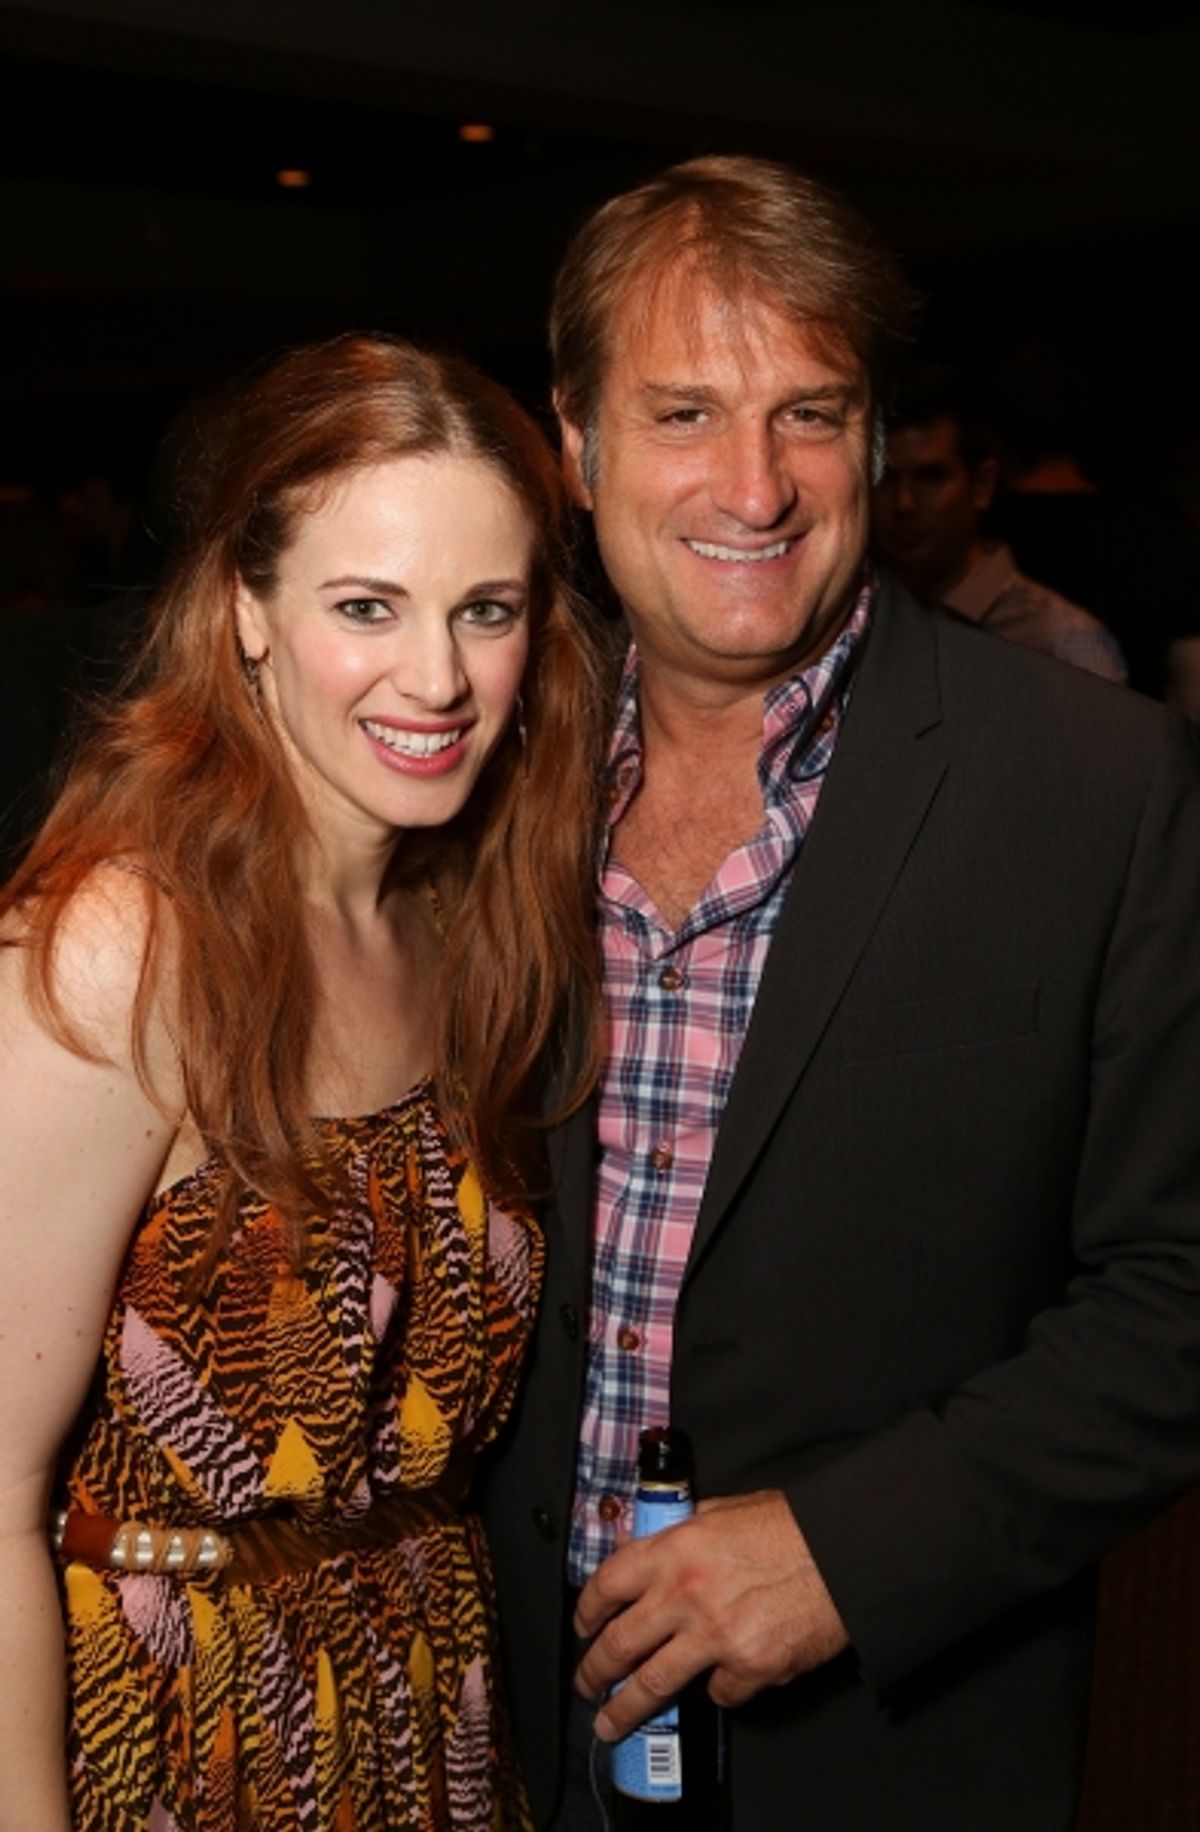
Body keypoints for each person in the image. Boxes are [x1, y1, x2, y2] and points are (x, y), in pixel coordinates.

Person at [481, 156, 1200, 1830]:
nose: (756, 484)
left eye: (811, 411)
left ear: (874, 438)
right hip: (495, 1735)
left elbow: (1177, 1292)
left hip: (878, 1756)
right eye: (683, 414)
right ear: (576, 446)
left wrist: (852, 1548)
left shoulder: (1096, 788)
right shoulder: (476, 773)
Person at [0, 332, 606, 1831]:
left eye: (487, 611)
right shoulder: (124, 947)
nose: (438, 678)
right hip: (172, 1737)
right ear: (245, 613)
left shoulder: (467, 920)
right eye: (365, 607)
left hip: (434, 1712)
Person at [871, 363, 1127, 682]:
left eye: (930, 478)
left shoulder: (1060, 640)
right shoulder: (860, 622)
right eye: (886, 478)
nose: (904, 503)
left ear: (981, 485)